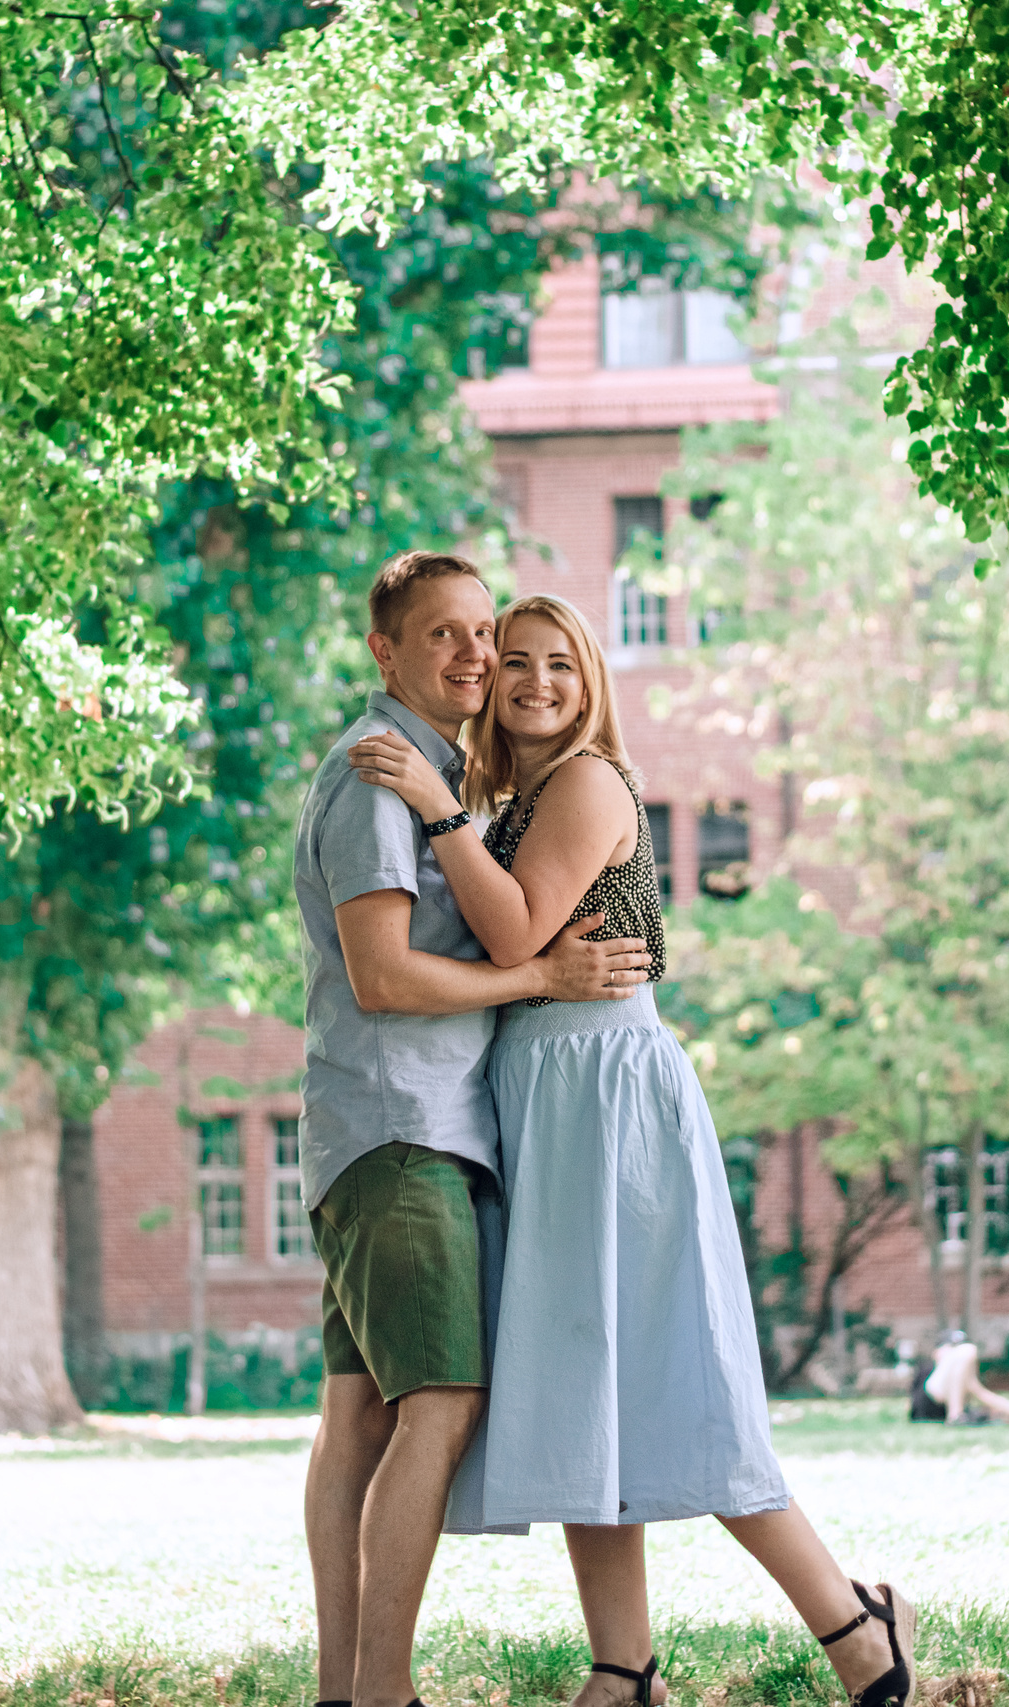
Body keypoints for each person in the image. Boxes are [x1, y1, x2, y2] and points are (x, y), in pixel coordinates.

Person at [348, 592, 913, 1707]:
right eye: (515, 662)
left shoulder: (588, 781)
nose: (536, 681)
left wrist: (429, 802)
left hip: (605, 1096)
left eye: (561, 663)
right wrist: (449, 804)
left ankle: (857, 1633)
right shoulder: (508, 798)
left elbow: (516, 934)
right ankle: (624, 1669)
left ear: (592, 678)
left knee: (677, 1381)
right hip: (543, 1098)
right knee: (579, 1392)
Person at [297, 554, 654, 1707]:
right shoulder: (376, 780)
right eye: (439, 634)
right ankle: (384, 1693)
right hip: (403, 1129)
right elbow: (385, 977)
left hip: (393, 1130)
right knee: (441, 1403)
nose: (471, 655)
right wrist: (544, 972)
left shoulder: (434, 781)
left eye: (479, 632)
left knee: (357, 1416)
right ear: (385, 652)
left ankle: (345, 1691)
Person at [906, 1336, 1009, 1426]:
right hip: (931, 1402)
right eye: (951, 1347)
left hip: (942, 1409)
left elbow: (979, 1392)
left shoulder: (959, 1376)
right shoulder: (928, 1369)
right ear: (936, 1352)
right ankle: (955, 1415)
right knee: (969, 1349)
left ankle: (956, 1416)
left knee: (968, 1351)